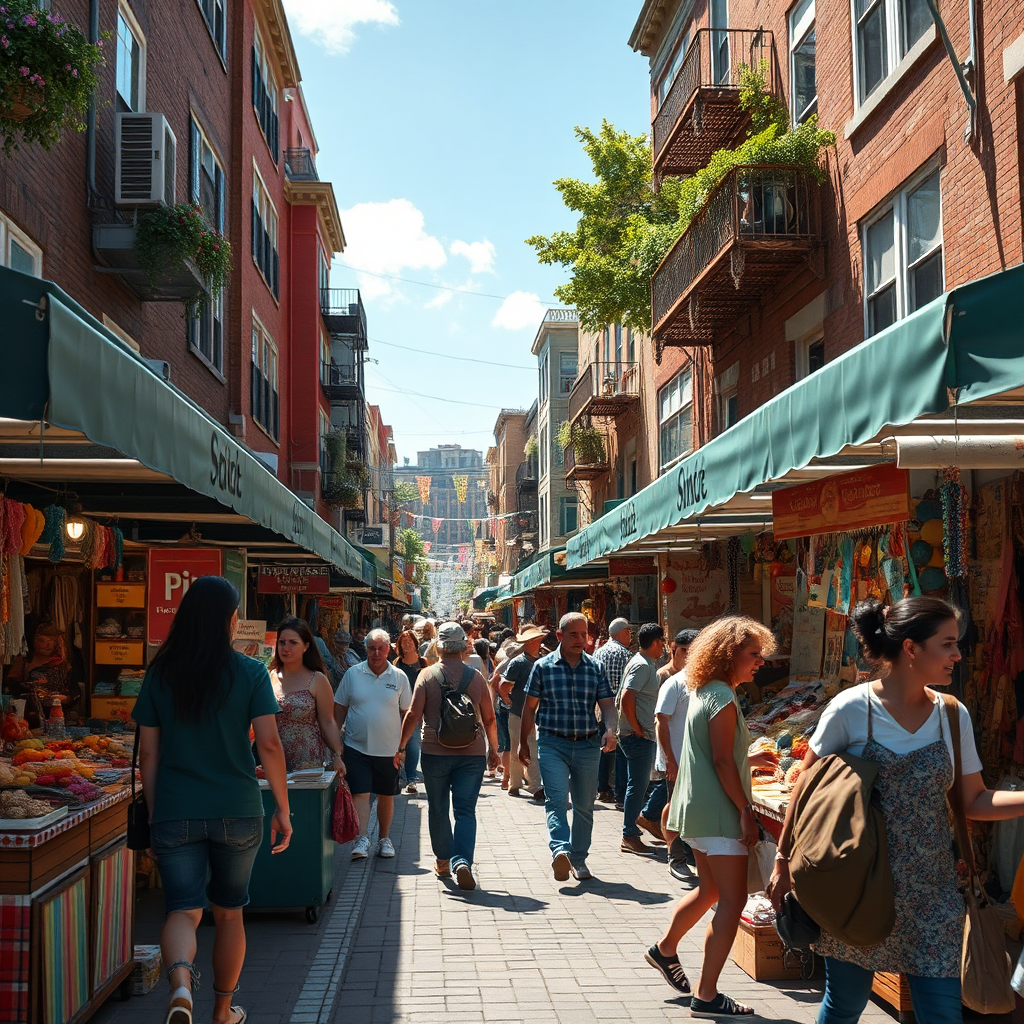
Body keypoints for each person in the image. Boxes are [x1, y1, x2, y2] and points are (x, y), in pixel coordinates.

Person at [769, 597, 1024, 1024]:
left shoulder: (951, 715)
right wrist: (783, 858)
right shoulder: (852, 710)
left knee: (943, 1013)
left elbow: (973, 800)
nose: (958, 655)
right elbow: (806, 792)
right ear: (911, 648)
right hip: (858, 885)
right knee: (846, 1004)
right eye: (947, 644)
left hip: (934, 892)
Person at [133, 576, 291, 1024]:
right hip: (238, 809)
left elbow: (148, 752)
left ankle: (181, 985)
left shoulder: (161, 672)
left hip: (176, 809)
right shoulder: (250, 671)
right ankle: (222, 1011)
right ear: (228, 619)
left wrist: (156, 812)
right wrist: (282, 806)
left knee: (182, 909)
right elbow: (270, 745)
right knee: (229, 914)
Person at [645, 615, 776, 1017]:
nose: (760, 663)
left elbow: (713, 754)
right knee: (732, 901)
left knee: (711, 892)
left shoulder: (705, 689)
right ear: (729, 654)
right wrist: (745, 812)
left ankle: (664, 950)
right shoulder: (720, 695)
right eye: (753, 655)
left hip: (699, 810)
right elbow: (720, 760)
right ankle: (706, 996)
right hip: (717, 812)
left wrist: (746, 758)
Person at [396, 622, 500, 890]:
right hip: (472, 754)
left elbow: (413, 715)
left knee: (439, 809)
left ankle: (443, 861)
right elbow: (489, 718)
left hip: (434, 752)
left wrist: (401, 746)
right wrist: (494, 750)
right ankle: (462, 861)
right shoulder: (476, 677)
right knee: (465, 810)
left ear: (439, 646)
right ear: (464, 647)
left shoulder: (427, 676)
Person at [520, 612, 617, 882]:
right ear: (560, 636)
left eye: (583, 634)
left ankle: (578, 858)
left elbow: (608, 705)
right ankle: (560, 850)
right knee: (557, 800)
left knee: (585, 806)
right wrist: (523, 743)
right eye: (573, 634)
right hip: (552, 744)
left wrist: (610, 731)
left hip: (587, 745)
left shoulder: (595, 668)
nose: (580, 639)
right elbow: (529, 708)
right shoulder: (543, 667)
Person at [334, 629, 412, 860]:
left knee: (386, 795)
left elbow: (407, 713)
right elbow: (339, 708)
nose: (376, 653)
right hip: (356, 747)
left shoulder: (399, 677)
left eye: (381, 648)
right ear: (365, 648)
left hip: (389, 750)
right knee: (361, 793)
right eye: (371, 648)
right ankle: (362, 838)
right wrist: (335, 742)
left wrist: (403, 747)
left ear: (389, 649)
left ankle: (384, 839)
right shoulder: (352, 674)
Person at [650, 629, 700, 882]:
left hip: (700, 763)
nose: (689, 656)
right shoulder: (674, 683)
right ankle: (676, 856)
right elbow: (661, 722)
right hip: (677, 760)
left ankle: (691, 854)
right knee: (675, 807)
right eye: (684, 651)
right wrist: (670, 758)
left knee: (692, 809)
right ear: (674, 650)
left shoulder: (708, 684)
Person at [270, 618, 345, 774]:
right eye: (282, 642)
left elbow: (328, 721)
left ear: (306, 646)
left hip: (308, 764)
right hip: (273, 759)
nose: (286, 648)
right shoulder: (270, 677)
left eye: (293, 642)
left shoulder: (317, 679)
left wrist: (337, 754)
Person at [617, 622, 666, 855]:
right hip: (637, 736)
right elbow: (627, 696)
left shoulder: (642, 662)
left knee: (637, 785)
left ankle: (631, 833)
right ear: (656, 642)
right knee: (637, 786)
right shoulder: (643, 665)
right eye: (663, 642)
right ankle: (629, 835)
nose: (664, 647)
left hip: (638, 734)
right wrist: (637, 728)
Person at [499, 624, 546, 800]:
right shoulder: (519, 662)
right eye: (538, 640)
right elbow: (503, 687)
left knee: (520, 747)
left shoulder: (540, 661)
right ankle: (534, 786)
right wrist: (510, 702)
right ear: (531, 642)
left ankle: (515, 784)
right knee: (529, 748)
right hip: (520, 712)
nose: (540, 642)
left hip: (533, 714)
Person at [593, 618, 633, 810]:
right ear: (621, 633)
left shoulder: (598, 652)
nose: (630, 636)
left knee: (604, 748)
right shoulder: (626, 654)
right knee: (619, 751)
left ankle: (602, 787)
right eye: (628, 632)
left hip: (601, 707)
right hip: (619, 709)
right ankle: (618, 791)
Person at [7, 623, 79, 726]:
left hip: (58, 720)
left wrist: (64, 699)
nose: (48, 645)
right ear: (34, 641)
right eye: (43, 641)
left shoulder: (63, 666)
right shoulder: (24, 662)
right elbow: (11, 689)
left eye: (52, 641)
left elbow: (75, 693)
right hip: (27, 721)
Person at [392, 629, 426, 794]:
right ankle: (399, 774)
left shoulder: (424, 663)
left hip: (416, 709)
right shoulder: (396, 663)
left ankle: (411, 778)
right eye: (403, 642)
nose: (407, 644)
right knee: (397, 743)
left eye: (409, 641)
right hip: (397, 709)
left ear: (415, 643)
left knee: (413, 742)